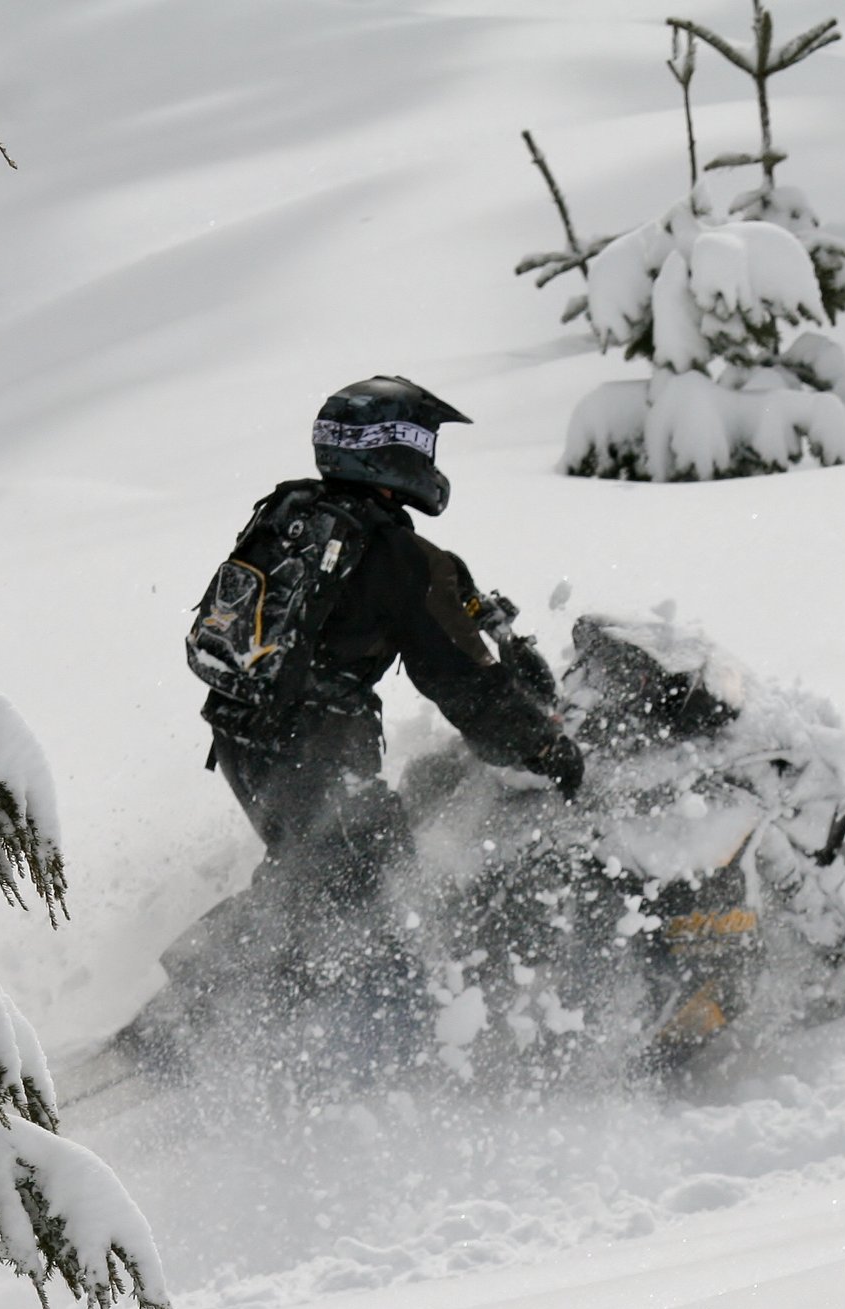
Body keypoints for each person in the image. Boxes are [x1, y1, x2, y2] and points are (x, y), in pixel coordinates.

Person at [183, 375, 582, 1013]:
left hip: (244, 735)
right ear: (392, 450)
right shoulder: (401, 557)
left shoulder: (294, 514)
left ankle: (204, 991)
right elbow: (466, 684)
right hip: (317, 744)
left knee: (312, 876)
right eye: (423, 444)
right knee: (371, 892)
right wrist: (545, 749)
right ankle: (251, 1018)